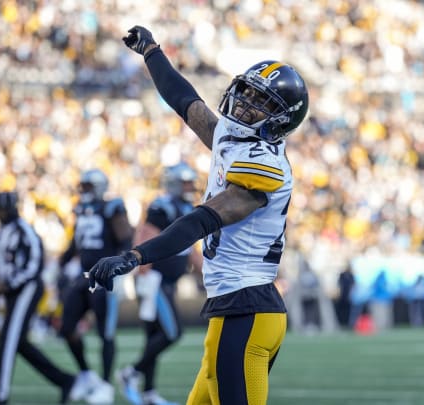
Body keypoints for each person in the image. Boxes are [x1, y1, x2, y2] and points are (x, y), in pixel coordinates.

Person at [88, 25, 309, 405]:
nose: (245, 104)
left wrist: (135, 256)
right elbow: (184, 101)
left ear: (281, 119)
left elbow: (202, 220)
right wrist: (152, 52)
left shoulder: (264, 165)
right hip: (234, 311)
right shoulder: (234, 139)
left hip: (247, 312)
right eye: (249, 93)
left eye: (261, 102)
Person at [0, 191, 86, 405]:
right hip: (13, 290)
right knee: (19, 343)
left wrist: (6, 284)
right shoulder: (3, 231)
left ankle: (0, 396)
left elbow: (34, 265)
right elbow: (2, 263)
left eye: (1, 209)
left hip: (27, 289)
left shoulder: (23, 230)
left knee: (8, 338)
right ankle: (65, 380)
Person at [116, 162, 201, 405]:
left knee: (153, 335)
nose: (190, 187)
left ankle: (149, 392)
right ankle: (131, 373)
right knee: (172, 332)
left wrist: (210, 275)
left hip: (168, 283)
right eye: (185, 182)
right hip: (155, 281)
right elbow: (145, 238)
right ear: (173, 183)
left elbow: (190, 251)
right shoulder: (162, 206)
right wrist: (143, 275)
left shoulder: (186, 207)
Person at [58, 168, 134, 403]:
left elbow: (125, 239)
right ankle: (87, 375)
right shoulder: (81, 209)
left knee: (105, 334)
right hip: (83, 276)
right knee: (66, 327)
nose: (84, 191)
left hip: (105, 276)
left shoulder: (112, 208)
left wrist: (121, 269)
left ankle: (105, 384)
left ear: (99, 187)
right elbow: (77, 242)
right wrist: (60, 261)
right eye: (84, 187)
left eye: (88, 187)